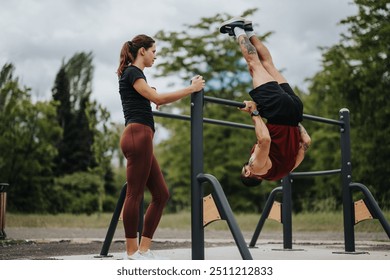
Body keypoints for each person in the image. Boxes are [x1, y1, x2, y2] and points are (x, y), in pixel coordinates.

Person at [116, 34, 205, 259]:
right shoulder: (132, 72)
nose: (156, 56)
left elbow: (151, 96)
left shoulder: (137, 76)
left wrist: (152, 95)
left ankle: (143, 250)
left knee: (161, 194)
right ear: (142, 51)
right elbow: (159, 99)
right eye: (154, 51)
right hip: (138, 135)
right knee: (134, 194)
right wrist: (191, 88)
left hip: (142, 137)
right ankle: (131, 252)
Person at [219, 18, 311, 186]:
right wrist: (255, 113)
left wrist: (296, 121)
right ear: (248, 172)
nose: (248, 162)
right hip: (278, 112)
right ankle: (238, 29)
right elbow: (265, 140)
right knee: (254, 65)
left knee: (269, 65)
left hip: (296, 111)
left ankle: (250, 31)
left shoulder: (286, 170)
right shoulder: (256, 167)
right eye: (246, 165)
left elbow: (306, 141)